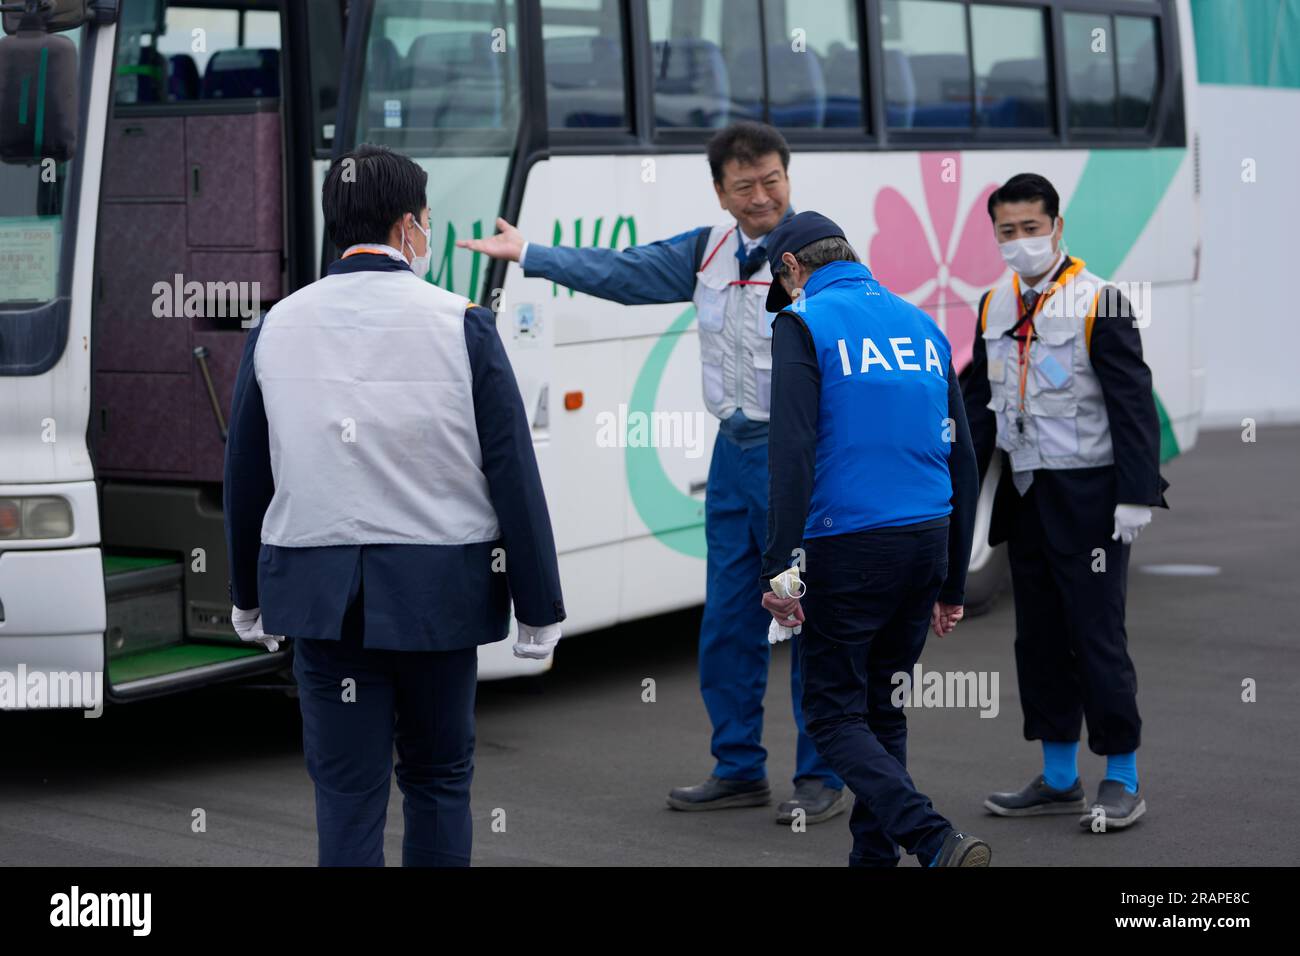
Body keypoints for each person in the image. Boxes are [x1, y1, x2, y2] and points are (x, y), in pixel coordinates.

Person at [457, 121, 848, 825]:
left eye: (772, 181)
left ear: (789, 177)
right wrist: (531, 255)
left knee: (804, 616)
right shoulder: (709, 251)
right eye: (744, 186)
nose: (761, 197)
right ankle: (737, 767)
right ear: (720, 193)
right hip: (732, 457)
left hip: (797, 462)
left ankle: (820, 774)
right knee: (729, 619)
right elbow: (623, 273)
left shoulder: (817, 257)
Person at [223, 144, 566, 866]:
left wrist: (246, 595)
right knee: (439, 779)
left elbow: (247, 473)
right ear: (411, 226)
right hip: (438, 598)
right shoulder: (461, 322)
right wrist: (538, 606)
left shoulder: (277, 324)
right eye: (429, 219)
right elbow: (512, 473)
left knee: (346, 795)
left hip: (321, 599)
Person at [759, 211, 990, 867]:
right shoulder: (922, 325)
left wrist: (778, 569)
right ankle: (874, 861)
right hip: (926, 538)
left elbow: (793, 452)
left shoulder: (803, 323)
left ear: (793, 269)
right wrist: (952, 581)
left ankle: (930, 836)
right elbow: (964, 459)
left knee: (832, 716)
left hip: (850, 544)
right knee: (882, 711)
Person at [964, 172, 1168, 831]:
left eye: (1032, 228)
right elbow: (978, 400)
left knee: (1097, 635)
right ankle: (1057, 778)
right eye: (1007, 231)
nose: (1020, 241)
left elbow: (1133, 408)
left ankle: (1122, 777)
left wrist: (1137, 495)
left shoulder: (1097, 302)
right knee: (1040, 639)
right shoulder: (993, 303)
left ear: (1058, 228)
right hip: (1025, 493)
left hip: (1089, 494)